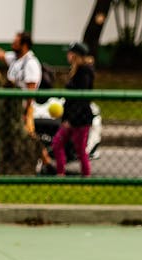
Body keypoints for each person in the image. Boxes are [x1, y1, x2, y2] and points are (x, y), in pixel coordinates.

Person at [51, 42, 95, 177]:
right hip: (70, 116)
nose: (67, 55)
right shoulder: (76, 70)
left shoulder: (84, 72)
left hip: (80, 118)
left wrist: (70, 119)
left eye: (70, 53)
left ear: (76, 55)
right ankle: (60, 173)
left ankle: (86, 175)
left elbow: (82, 99)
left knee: (80, 148)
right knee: (57, 143)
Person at [0, 31, 42, 133]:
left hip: (23, 107)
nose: (13, 44)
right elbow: (1, 55)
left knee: (26, 135)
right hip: (11, 105)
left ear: (24, 45)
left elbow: (31, 90)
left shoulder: (30, 63)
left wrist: (26, 112)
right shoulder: (15, 58)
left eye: (16, 42)